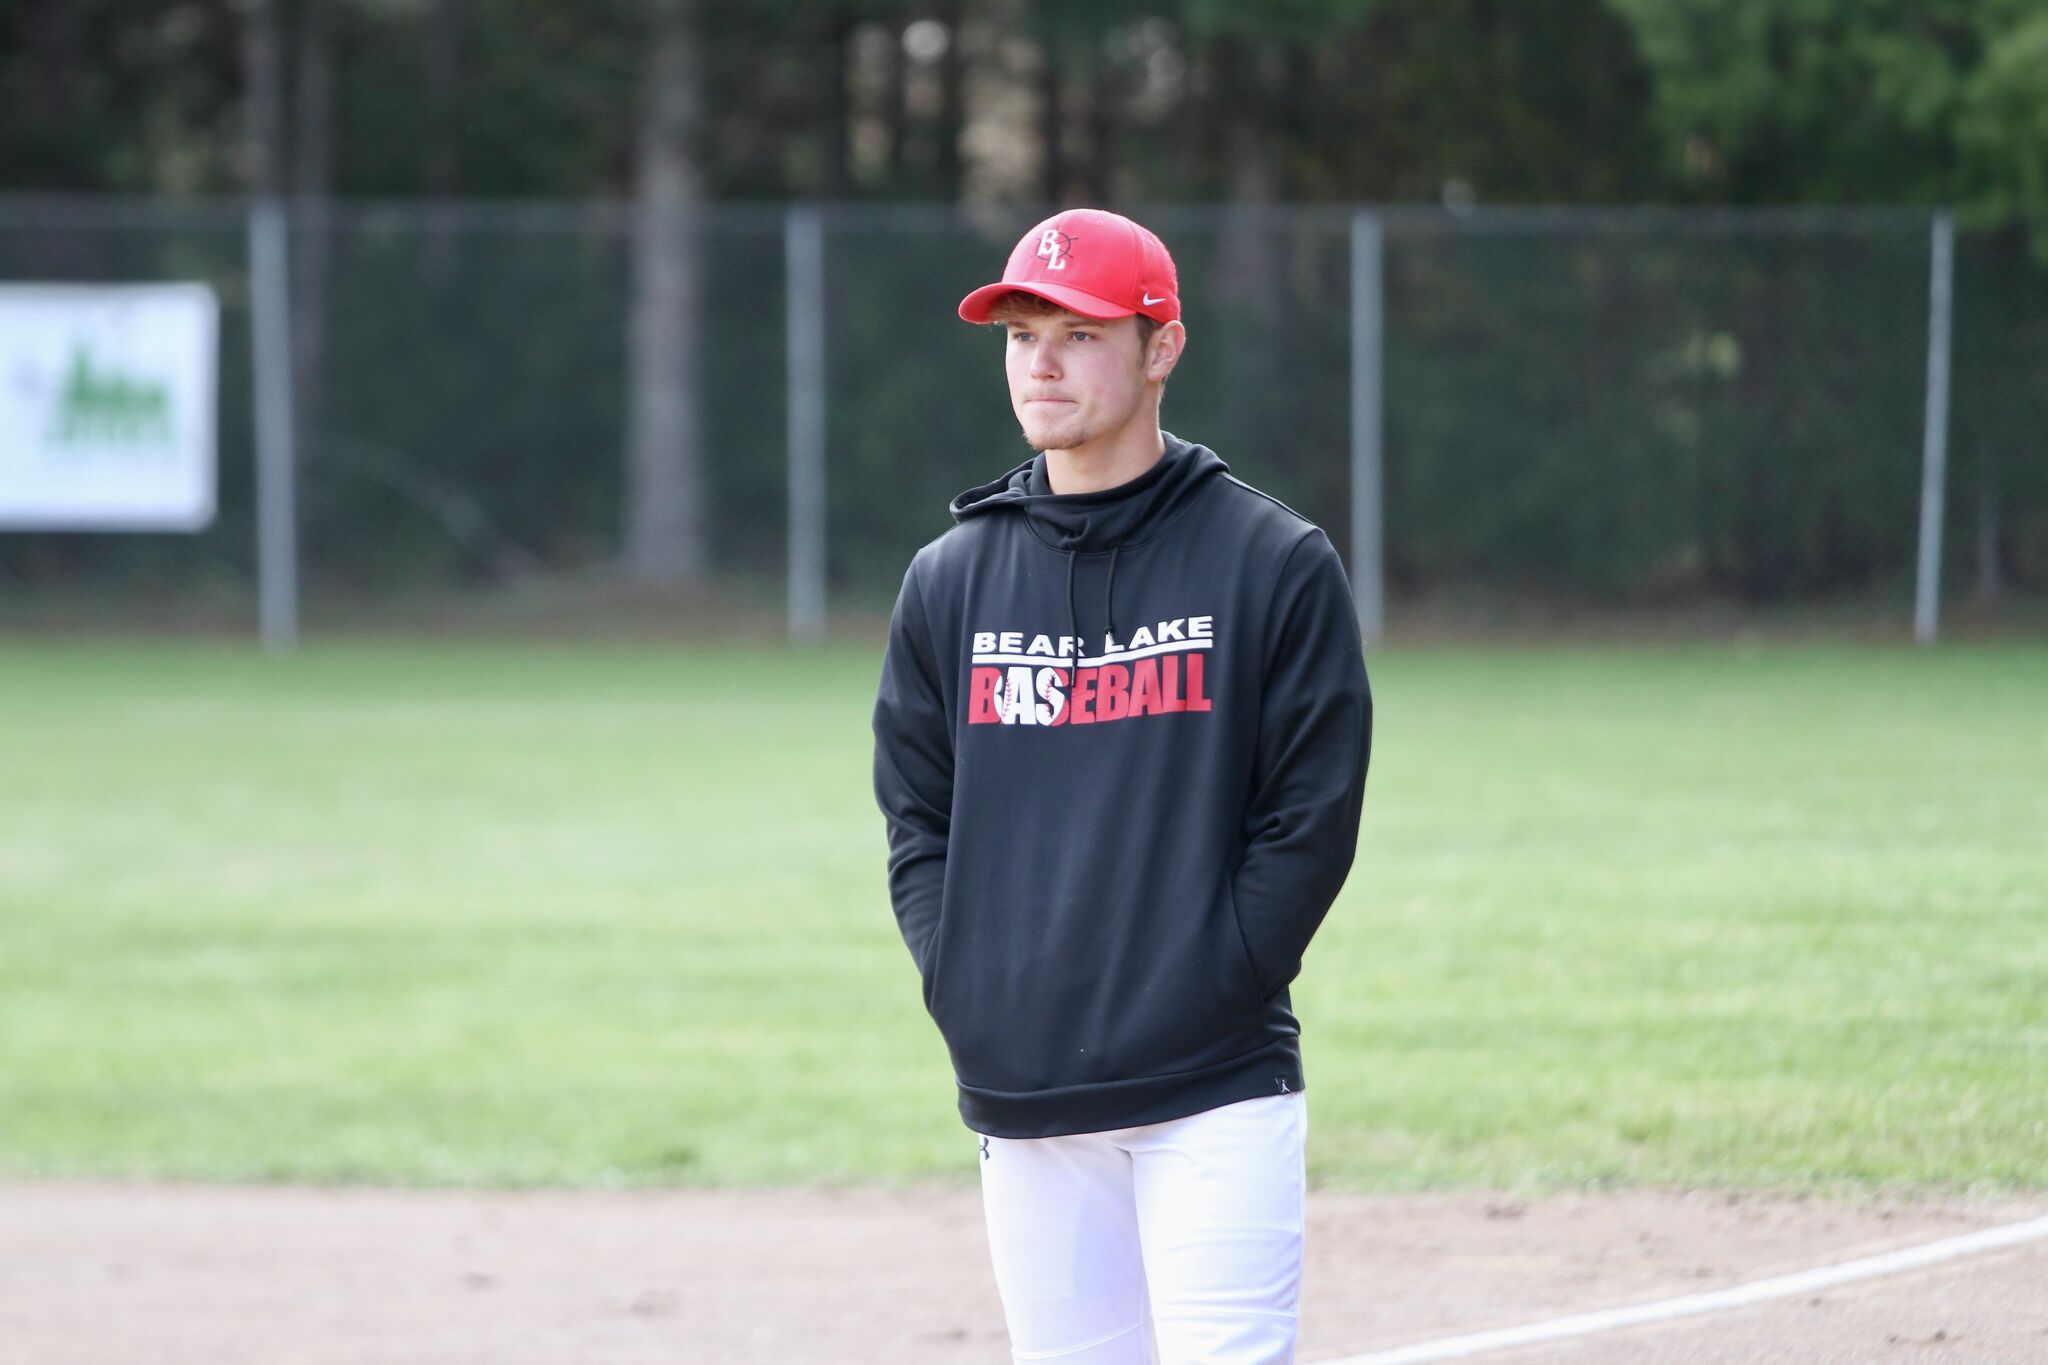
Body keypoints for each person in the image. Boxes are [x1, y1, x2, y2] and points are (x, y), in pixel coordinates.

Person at [871, 206, 1373, 1365]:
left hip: (1212, 1084)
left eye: (1080, 334)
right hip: (1023, 1087)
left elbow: (1309, 818)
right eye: (1019, 336)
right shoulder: (948, 581)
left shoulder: (1270, 563)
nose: (1039, 364)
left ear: (1161, 348)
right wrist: (967, 988)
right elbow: (917, 820)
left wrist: (1214, 978)